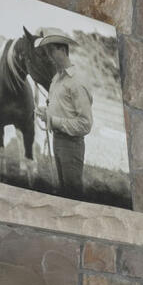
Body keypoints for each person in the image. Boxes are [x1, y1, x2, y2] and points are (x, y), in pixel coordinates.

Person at [44, 50, 94, 197]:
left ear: (61, 51)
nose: (49, 57)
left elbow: (85, 124)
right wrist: (46, 113)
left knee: (73, 194)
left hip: (71, 144)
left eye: (51, 52)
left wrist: (53, 121)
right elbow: (60, 106)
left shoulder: (77, 81)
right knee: (63, 191)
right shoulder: (56, 78)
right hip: (57, 140)